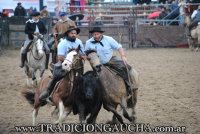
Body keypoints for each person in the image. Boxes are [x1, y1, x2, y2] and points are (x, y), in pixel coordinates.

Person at [85, 27, 139, 92]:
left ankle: (128, 84)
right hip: (97, 63)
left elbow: (119, 47)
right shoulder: (88, 42)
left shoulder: (109, 39)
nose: (95, 36)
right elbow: (86, 54)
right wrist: (88, 58)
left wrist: (123, 56)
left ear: (101, 34)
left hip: (110, 59)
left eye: (97, 34)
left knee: (125, 67)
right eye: (94, 34)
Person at [39, 26, 85, 100]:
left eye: (75, 33)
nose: (73, 35)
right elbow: (60, 57)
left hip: (76, 64)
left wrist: (82, 57)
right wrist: (70, 62)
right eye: (71, 33)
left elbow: (83, 53)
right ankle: (48, 91)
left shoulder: (79, 42)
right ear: (67, 34)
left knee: (82, 77)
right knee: (56, 75)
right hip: (64, 62)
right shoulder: (63, 43)